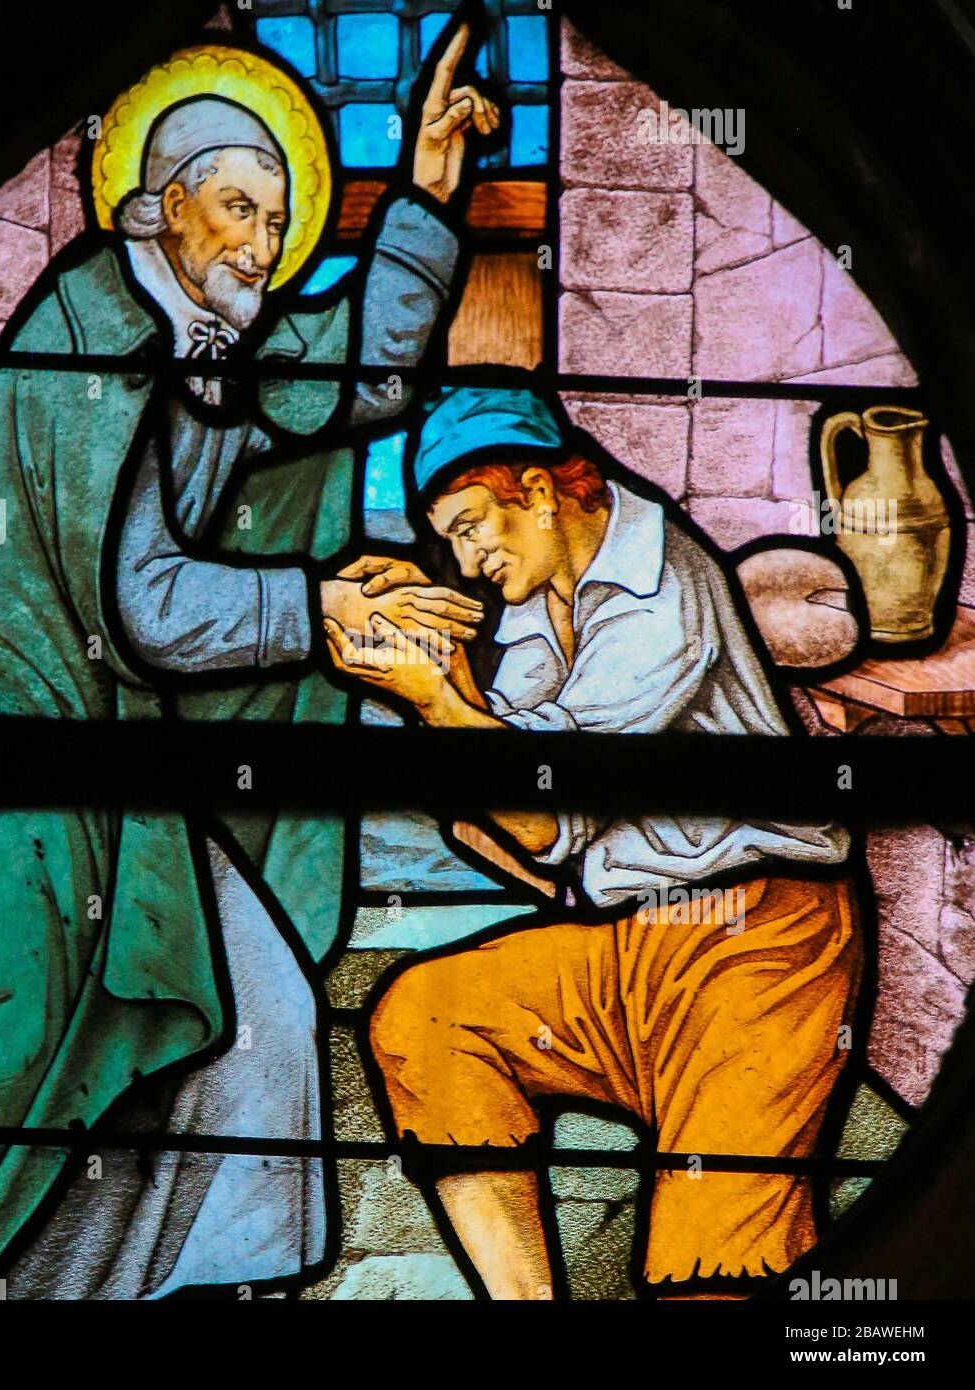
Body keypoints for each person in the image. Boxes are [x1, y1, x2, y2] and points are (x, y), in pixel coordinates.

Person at [0, 30, 494, 1296]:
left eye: (277, 217)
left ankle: (205, 1282)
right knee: (13, 1058)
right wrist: (322, 609)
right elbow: (146, 607)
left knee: (249, 1010)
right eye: (238, 209)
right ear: (156, 209)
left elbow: (350, 377)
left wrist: (428, 198)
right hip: (9, 739)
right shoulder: (95, 333)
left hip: (113, 753)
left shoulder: (208, 337)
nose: (264, 244)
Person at [324, 385, 860, 1299]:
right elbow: (510, 822)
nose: (464, 559)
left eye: (469, 526)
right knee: (428, 1017)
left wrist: (429, 698)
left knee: (709, 1272)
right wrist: (441, 659)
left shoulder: (662, 587)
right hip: (623, 949)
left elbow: (538, 808)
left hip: (760, 950)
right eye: (449, 542)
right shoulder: (542, 597)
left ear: (538, 490)